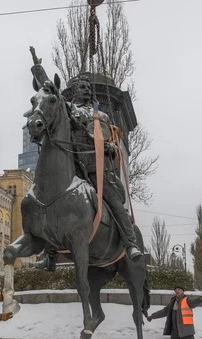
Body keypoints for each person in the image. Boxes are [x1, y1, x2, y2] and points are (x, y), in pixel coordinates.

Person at [33, 71, 143, 271]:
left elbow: (112, 140)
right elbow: (50, 95)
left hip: (96, 168)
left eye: (88, 88)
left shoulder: (101, 115)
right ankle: (49, 254)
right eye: (82, 87)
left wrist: (110, 147)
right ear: (74, 91)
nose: (86, 90)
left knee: (114, 202)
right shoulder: (67, 109)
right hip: (73, 166)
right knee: (48, 201)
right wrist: (38, 70)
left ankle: (130, 243)